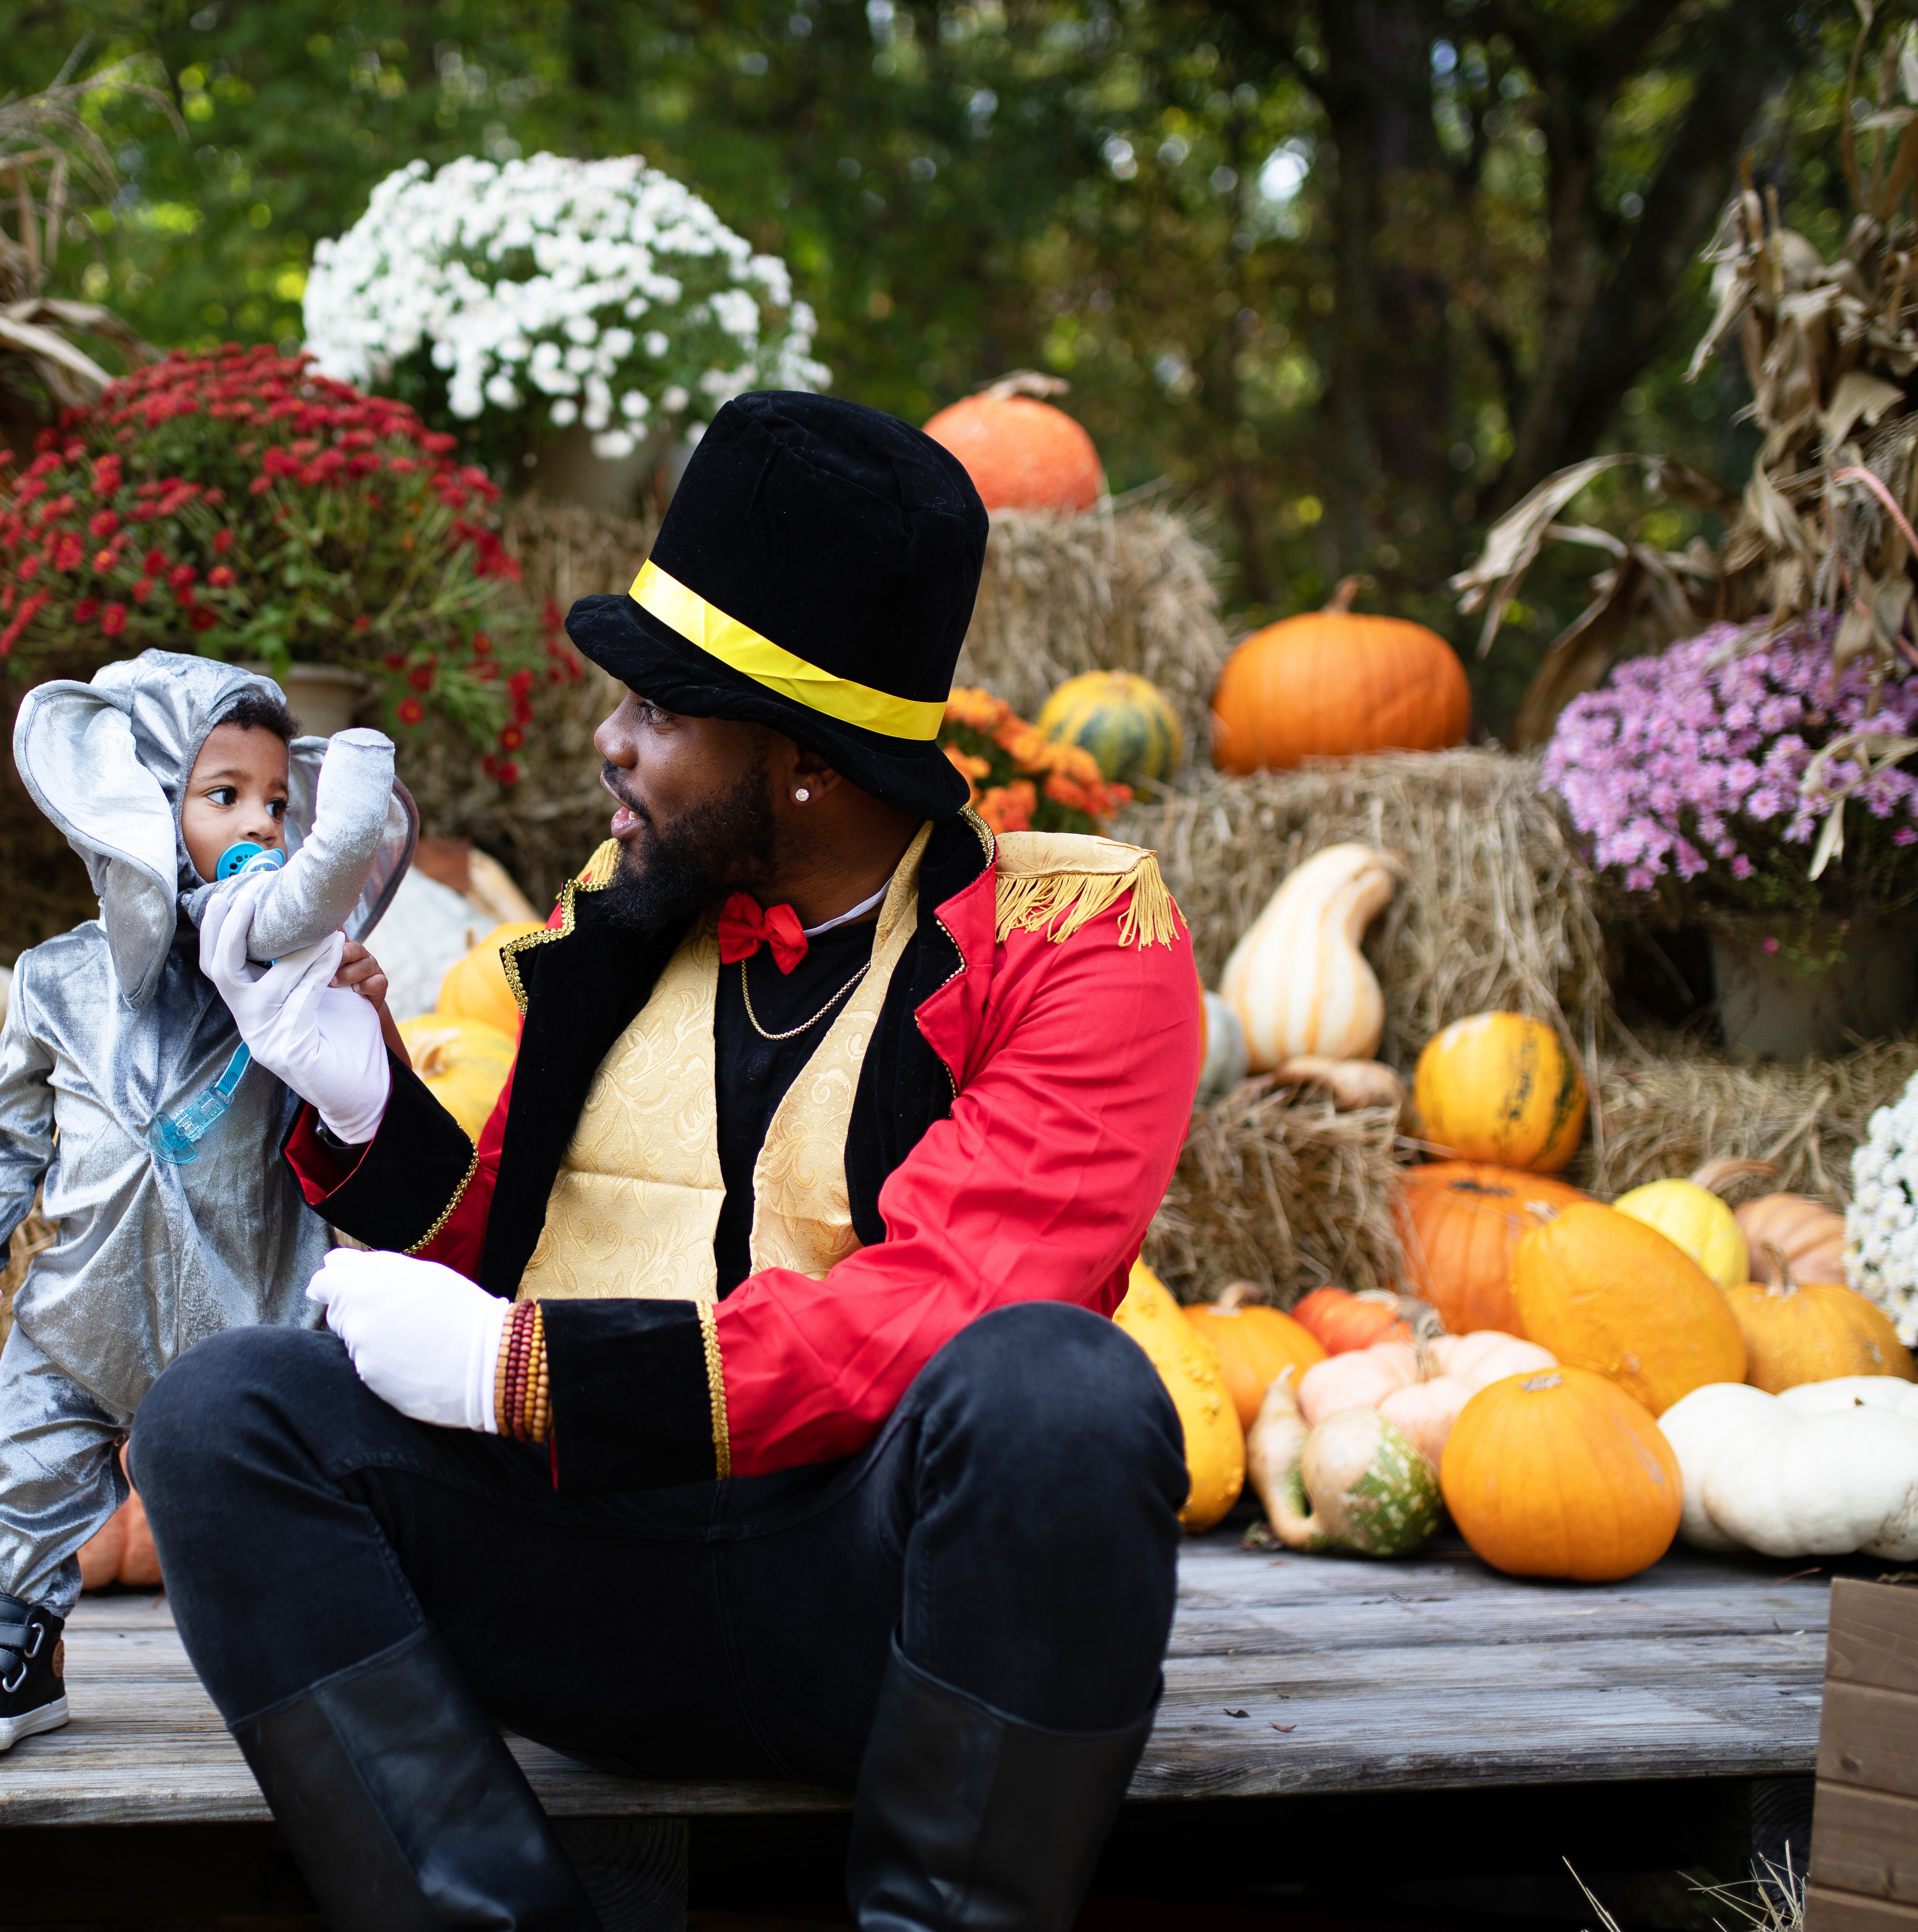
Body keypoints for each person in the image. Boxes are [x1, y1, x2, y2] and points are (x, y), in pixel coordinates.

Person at [131, 393, 1204, 1932]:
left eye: (661, 710)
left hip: (875, 1608)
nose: (608, 738)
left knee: (1063, 1392)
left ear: (809, 759)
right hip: (585, 1580)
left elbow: (952, 1308)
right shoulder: (633, 895)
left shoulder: (1082, 938)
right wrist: (361, 1104)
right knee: (221, 1419)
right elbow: (485, 1256)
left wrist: (531, 1375)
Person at [0, 653, 411, 1753]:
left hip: (254, 1292)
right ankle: (15, 1644)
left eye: (280, 803)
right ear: (136, 802)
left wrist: (362, 1021)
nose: (264, 824)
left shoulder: (293, 978)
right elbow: (5, 1130)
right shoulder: (54, 978)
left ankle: (315, 1655)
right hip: (89, 1299)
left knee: (291, 1481)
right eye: (223, 794)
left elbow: (366, 1123)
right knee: (21, 1451)